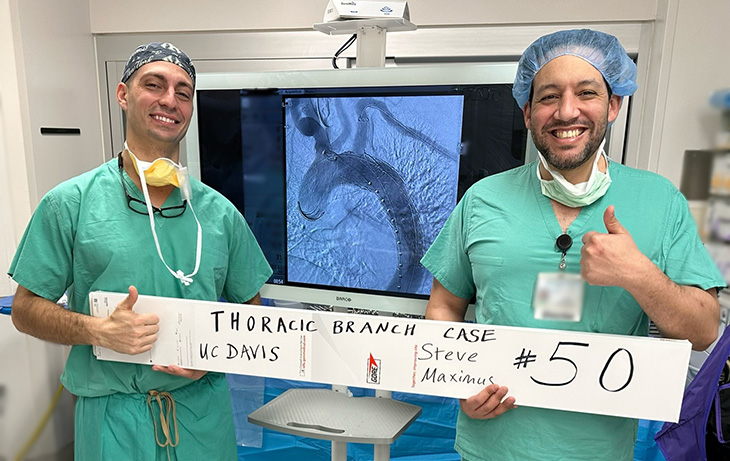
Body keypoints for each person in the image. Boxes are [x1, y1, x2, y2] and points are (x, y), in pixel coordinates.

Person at [421, 29, 726, 461]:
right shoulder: (483, 199)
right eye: (548, 97)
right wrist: (455, 382)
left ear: (614, 104)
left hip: (597, 449)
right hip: (490, 446)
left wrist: (639, 276)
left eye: (586, 92)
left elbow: (703, 331)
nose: (566, 111)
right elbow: (443, 306)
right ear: (527, 112)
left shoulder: (660, 201)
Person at [8, 42, 272, 460]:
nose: (170, 100)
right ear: (123, 94)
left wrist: (213, 354)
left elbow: (252, 310)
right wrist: (96, 331)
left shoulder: (219, 215)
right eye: (154, 85)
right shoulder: (70, 204)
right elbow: (24, 310)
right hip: (113, 423)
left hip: (202, 419)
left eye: (183, 92)